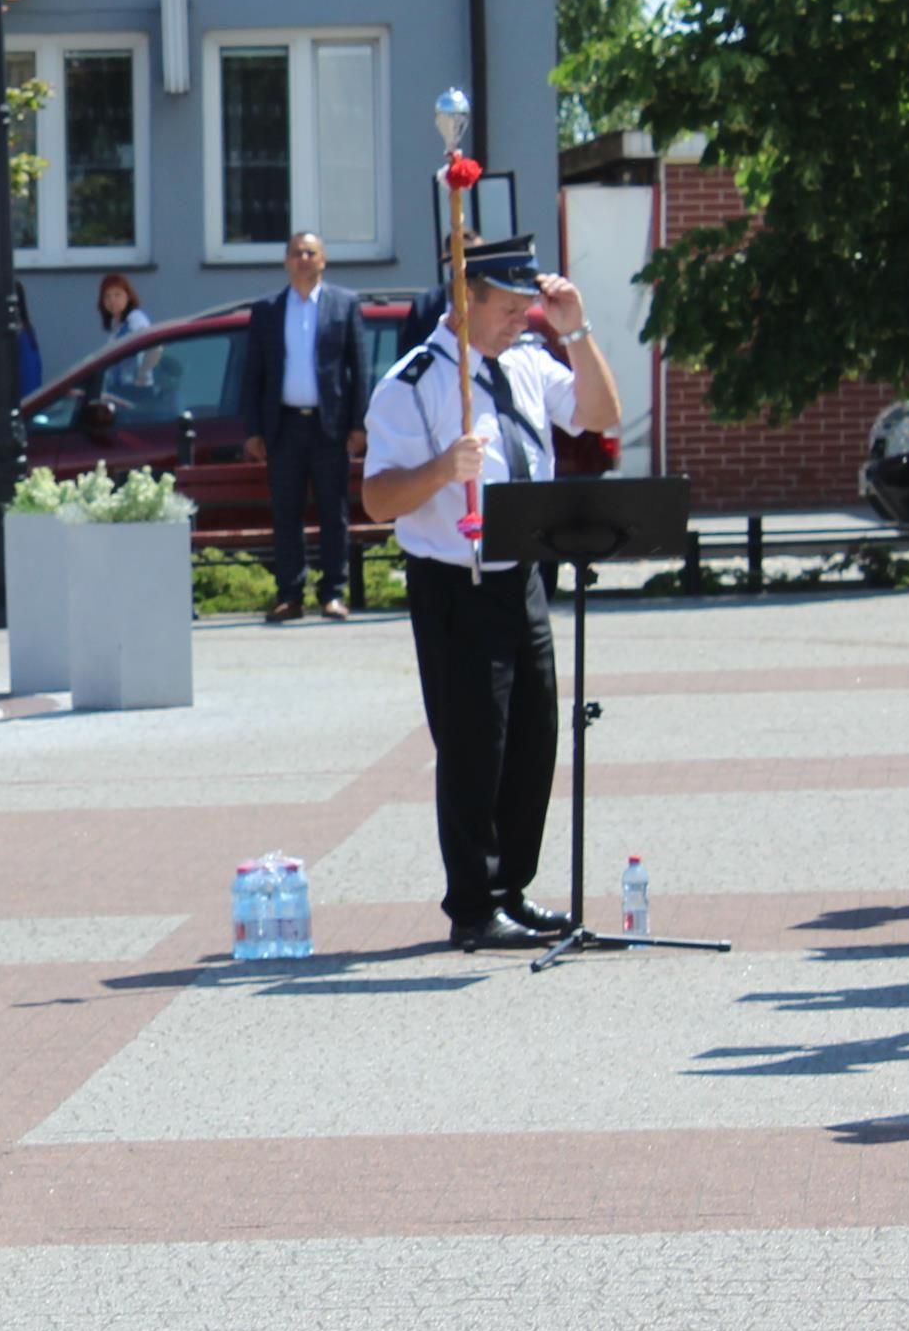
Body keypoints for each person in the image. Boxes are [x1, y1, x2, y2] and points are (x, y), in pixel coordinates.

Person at [358, 232, 624, 949]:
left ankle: (513, 888)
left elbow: (600, 416)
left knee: (535, 738)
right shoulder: (412, 383)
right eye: (508, 307)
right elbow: (378, 498)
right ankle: (473, 904)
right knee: (475, 744)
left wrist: (580, 333)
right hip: (455, 582)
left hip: (524, 576)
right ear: (465, 299)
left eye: (524, 308)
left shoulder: (530, 364)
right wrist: (444, 469)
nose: (520, 320)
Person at [238, 231, 371, 624]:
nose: (303, 259)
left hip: (329, 427)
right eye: (296, 253)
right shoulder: (267, 310)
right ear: (285, 261)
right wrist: (254, 430)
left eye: (311, 253)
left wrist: (358, 424)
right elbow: (254, 374)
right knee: (286, 513)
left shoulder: (343, 305)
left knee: (334, 512)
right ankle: (289, 595)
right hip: (284, 426)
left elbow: (358, 369)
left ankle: (333, 593)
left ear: (324, 260)